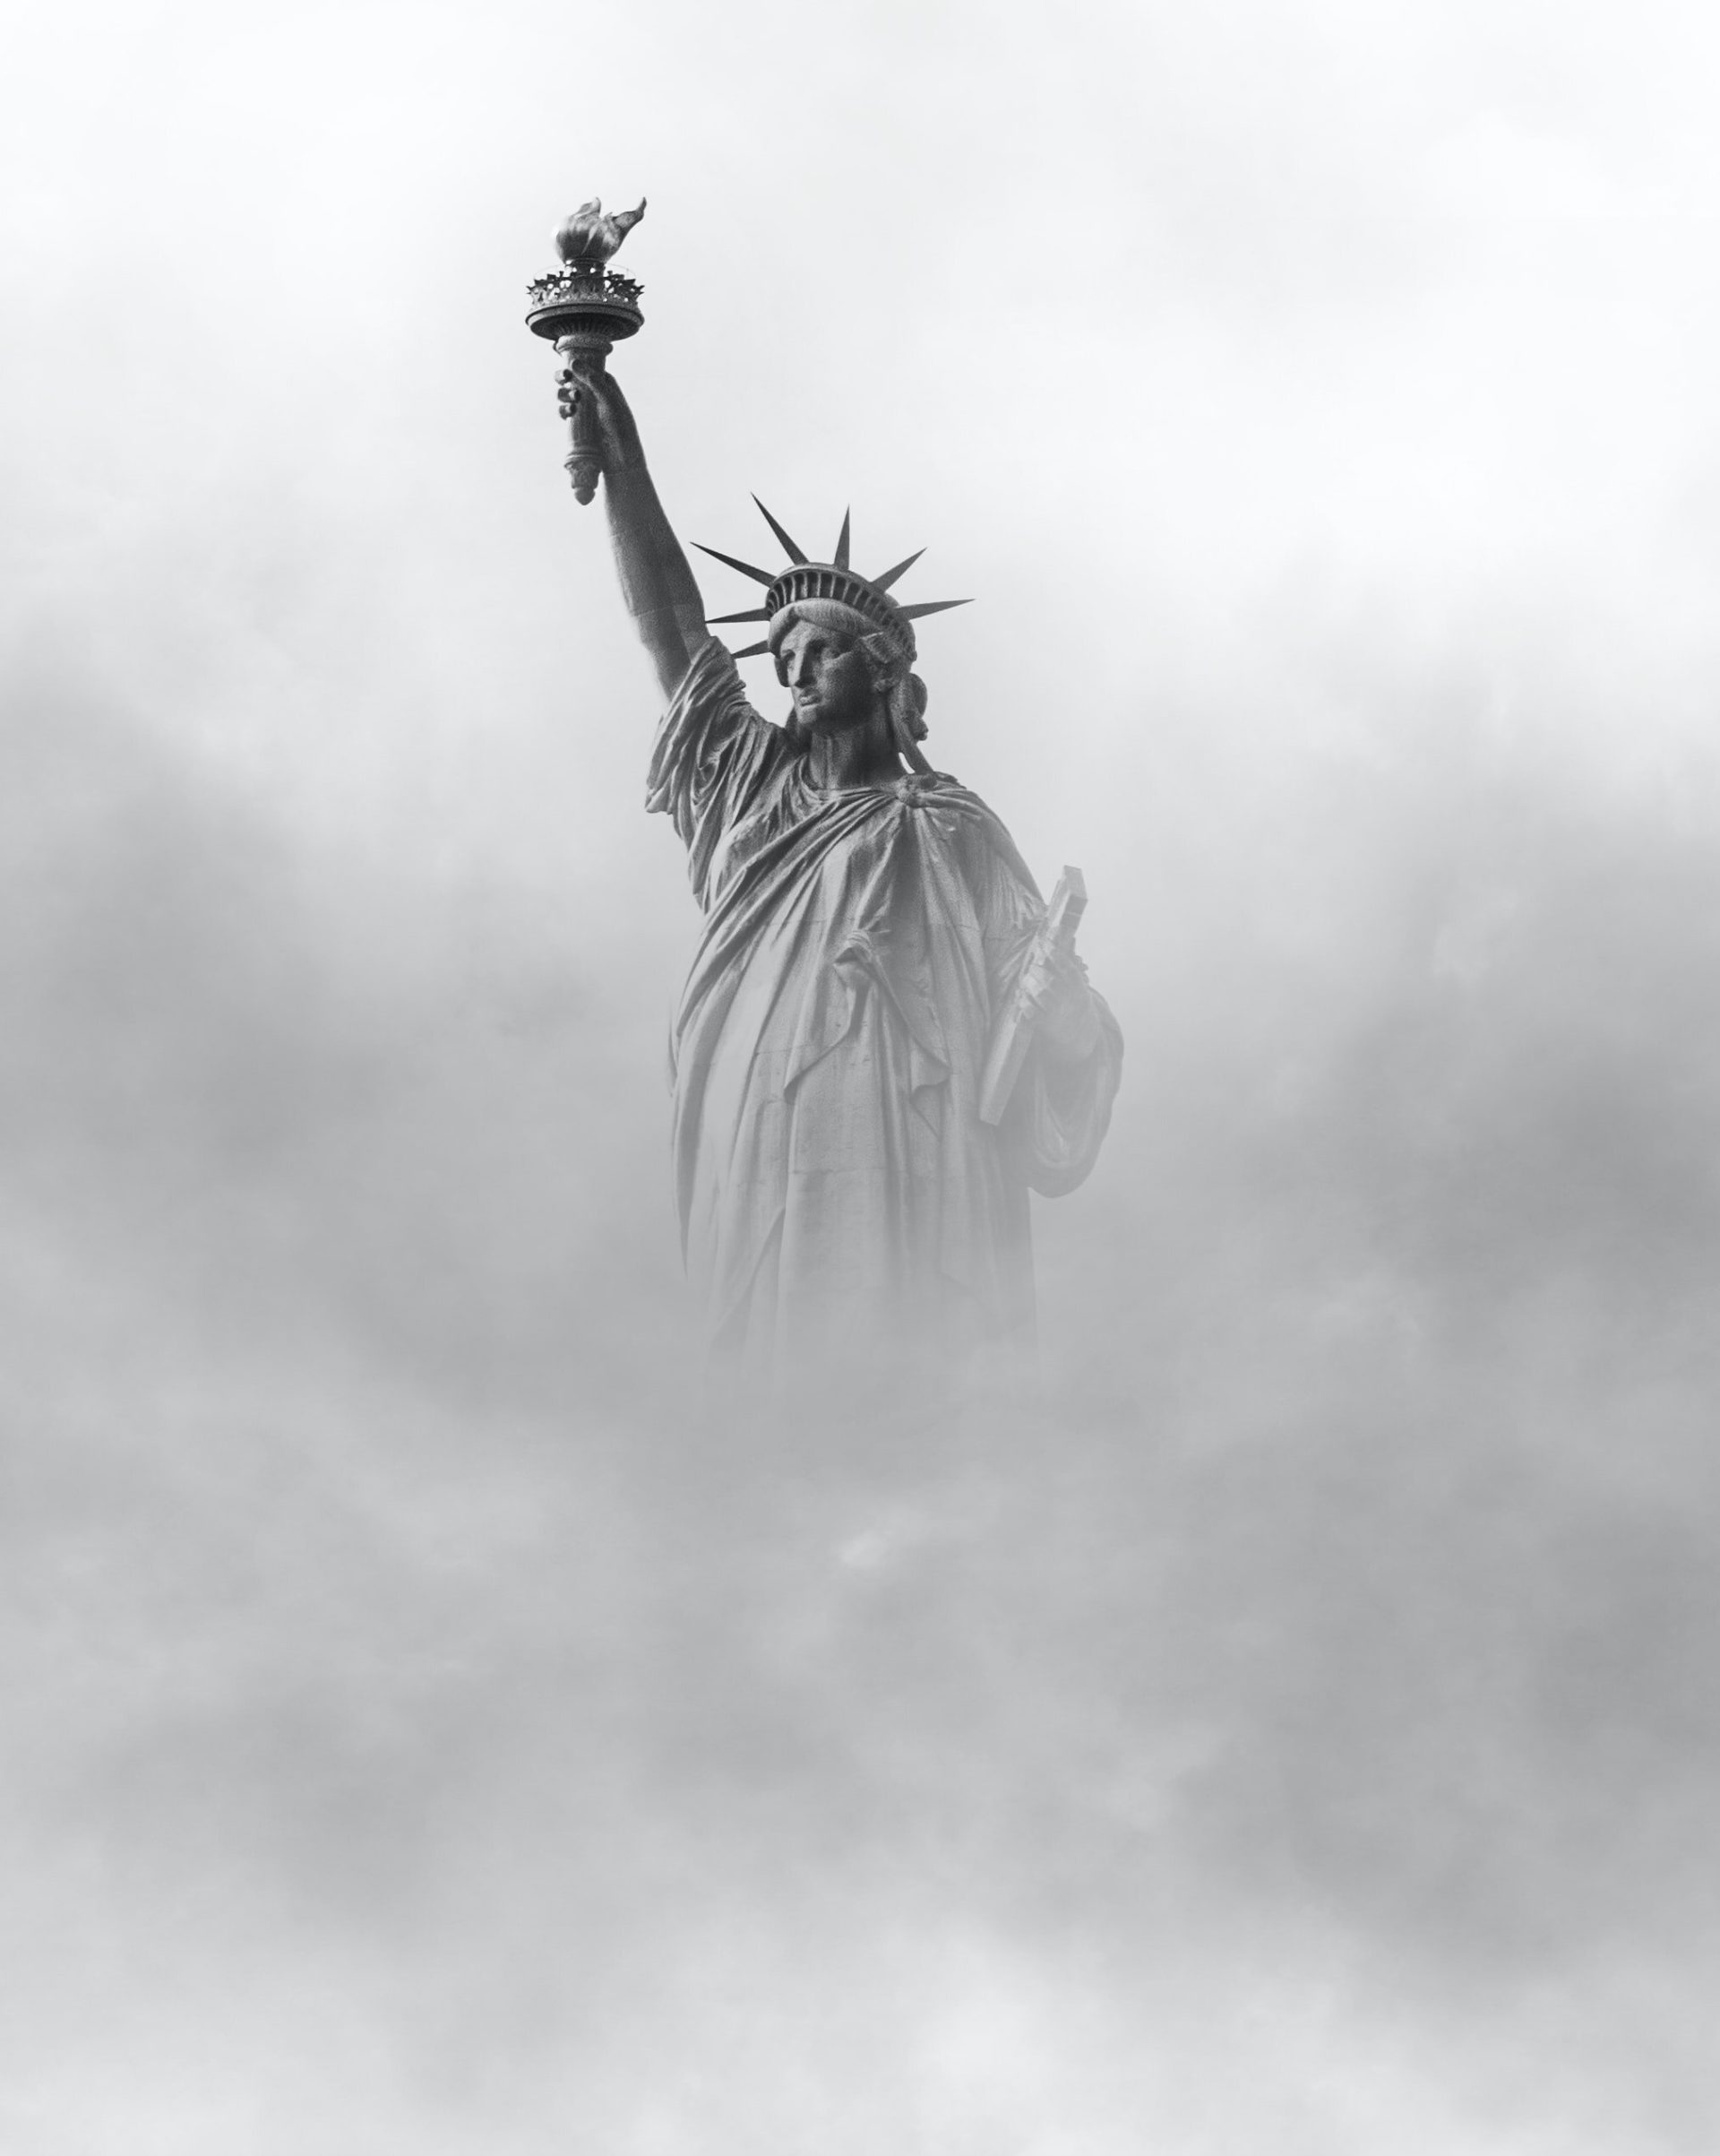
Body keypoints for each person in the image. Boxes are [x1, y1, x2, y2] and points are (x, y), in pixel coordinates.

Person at [563, 363, 1122, 1394]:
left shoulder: (953, 830)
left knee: (906, 1333)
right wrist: (625, 463)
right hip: (763, 1103)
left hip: (918, 1130)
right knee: (775, 1335)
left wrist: (1072, 1016)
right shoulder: (746, 787)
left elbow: (1041, 1008)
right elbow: (673, 635)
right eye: (782, 657)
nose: (794, 672)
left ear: (883, 675)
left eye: (820, 652)